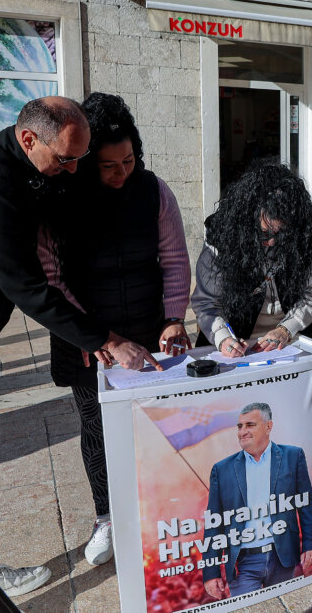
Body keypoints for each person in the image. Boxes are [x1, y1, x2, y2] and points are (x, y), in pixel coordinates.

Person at [0, 97, 159, 612]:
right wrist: (104, 339)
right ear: (29, 139)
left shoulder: (13, 163)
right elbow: (28, 287)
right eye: (67, 161)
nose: (73, 171)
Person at [39, 92, 191, 568]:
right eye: (108, 165)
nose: (121, 173)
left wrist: (173, 317)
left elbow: (174, 258)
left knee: (158, 424)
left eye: (128, 160)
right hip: (88, 339)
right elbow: (50, 277)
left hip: (148, 328)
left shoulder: (154, 191)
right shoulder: (59, 200)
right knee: (96, 429)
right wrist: (94, 338)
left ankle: (162, 510)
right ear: (83, 162)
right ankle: (107, 517)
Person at [192, 164, 312, 354]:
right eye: (264, 233)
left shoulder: (305, 229)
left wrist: (285, 329)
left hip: (297, 332)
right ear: (248, 218)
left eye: (282, 234)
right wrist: (223, 338)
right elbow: (207, 303)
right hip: (238, 338)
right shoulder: (221, 235)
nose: (272, 242)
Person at [202, 402, 312, 598]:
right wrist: (211, 572)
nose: (242, 432)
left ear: (268, 426)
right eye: (239, 426)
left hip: (284, 557)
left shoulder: (293, 456)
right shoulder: (222, 470)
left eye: (250, 425)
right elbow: (214, 523)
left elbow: (305, 504)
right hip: (243, 563)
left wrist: (310, 544)